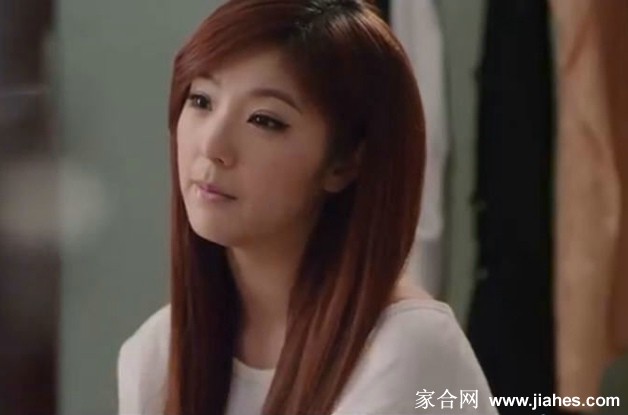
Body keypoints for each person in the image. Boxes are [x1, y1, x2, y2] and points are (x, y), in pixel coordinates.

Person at [117, 0, 498, 414]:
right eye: (201, 100)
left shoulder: (404, 351)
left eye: (264, 120)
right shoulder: (156, 354)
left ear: (344, 162)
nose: (212, 145)